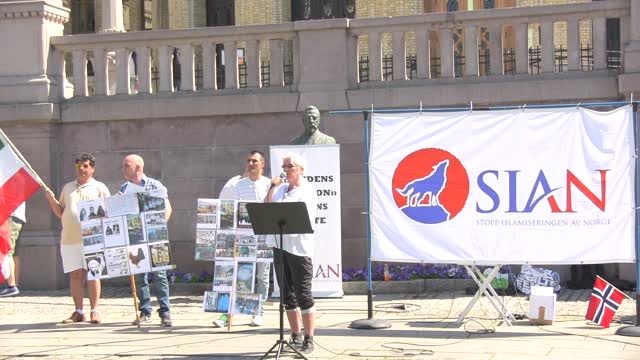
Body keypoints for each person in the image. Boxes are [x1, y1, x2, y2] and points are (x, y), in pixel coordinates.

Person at [44, 153, 111, 324]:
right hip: (70, 239)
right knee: (75, 275)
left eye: (85, 166)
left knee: (93, 274)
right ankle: (78, 311)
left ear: (92, 168)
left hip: (93, 240)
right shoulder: (68, 188)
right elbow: (61, 212)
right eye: (79, 166)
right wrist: (51, 201)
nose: (81, 168)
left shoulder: (100, 188)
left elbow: (109, 212)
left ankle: (95, 311)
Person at [266, 153, 318, 354]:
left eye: (290, 166)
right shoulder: (280, 191)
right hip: (279, 246)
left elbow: (303, 219)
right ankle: (295, 335)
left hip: (298, 249)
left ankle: (309, 338)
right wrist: (272, 187)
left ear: (301, 170)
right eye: (284, 166)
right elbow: (268, 210)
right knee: (286, 295)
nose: (286, 170)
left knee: (303, 294)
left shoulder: (307, 191)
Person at [213, 150, 272, 328]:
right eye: (248, 160)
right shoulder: (239, 185)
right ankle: (228, 315)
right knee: (239, 277)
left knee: (262, 276)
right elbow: (234, 210)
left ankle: (258, 312)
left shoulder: (270, 184)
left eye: (255, 161)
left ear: (262, 164)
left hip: (263, 237)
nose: (251, 163)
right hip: (243, 237)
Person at [120, 154, 173, 327]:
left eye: (127, 166)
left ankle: (165, 312)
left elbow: (167, 208)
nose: (123, 169)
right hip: (135, 238)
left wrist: (157, 226)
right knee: (139, 275)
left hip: (155, 236)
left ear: (138, 167)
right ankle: (145, 311)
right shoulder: (124, 188)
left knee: (160, 275)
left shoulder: (155, 185)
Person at [0, 203, 26, 297]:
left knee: (7, 251)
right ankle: (14, 285)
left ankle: (12, 286)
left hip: (10, 215)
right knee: (14, 253)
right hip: (17, 216)